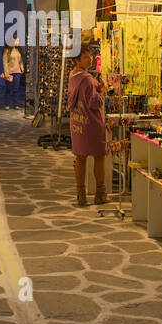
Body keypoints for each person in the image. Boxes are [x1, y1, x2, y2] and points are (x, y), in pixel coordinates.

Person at [66, 43, 108, 206]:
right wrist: (102, 91)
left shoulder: (73, 76)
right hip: (92, 123)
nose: (90, 59)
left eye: (91, 55)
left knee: (80, 157)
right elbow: (95, 102)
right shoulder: (88, 79)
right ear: (77, 59)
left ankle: (81, 194)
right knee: (99, 156)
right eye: (85, 57)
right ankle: (100, 193)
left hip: (77, 122)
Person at [1, 36, 25, 110]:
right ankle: (7, 104)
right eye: (16, 41)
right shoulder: (7, 50)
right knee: (9, 89)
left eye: (18, 41)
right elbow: (4, 62)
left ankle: (16, 104)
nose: (18, 42)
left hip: (17, 72)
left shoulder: (18, 50)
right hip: (10, 73)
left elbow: (20, 61)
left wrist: (22, 69)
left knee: (16, 89)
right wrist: (6, 73)